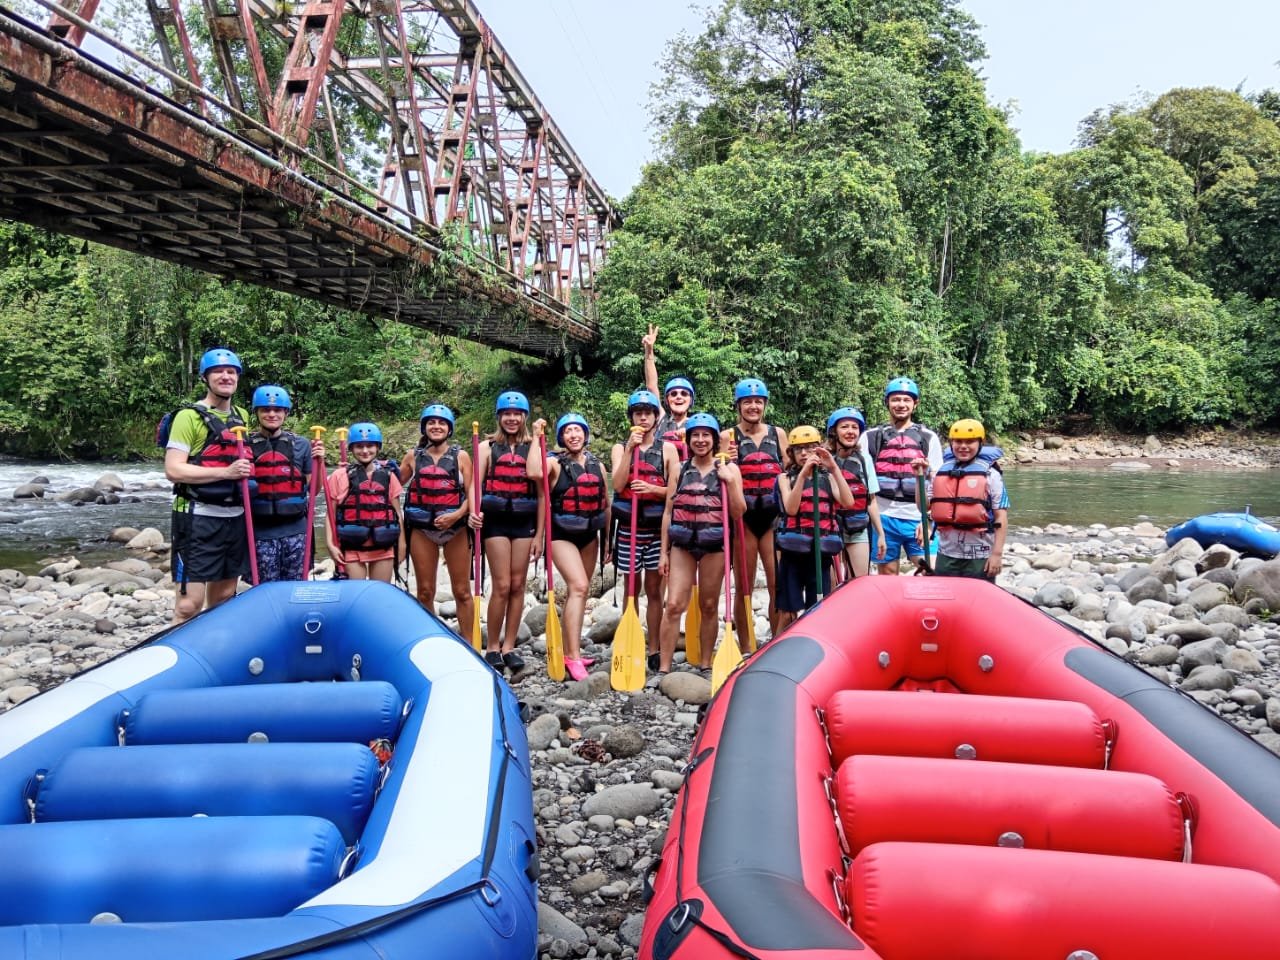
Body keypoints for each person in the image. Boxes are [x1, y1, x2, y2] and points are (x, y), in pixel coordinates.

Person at [164, 347, 253, 624]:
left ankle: (214, 653)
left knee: (225, 598)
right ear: (206, 377)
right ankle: (178, 654)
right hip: (196, 518)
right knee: (189, 604)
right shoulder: (188, 417)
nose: (225, 376)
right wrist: (226, 473)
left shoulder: (242, 416)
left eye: (231, 372)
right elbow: (173, 469)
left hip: (234, 518)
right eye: (218, 372)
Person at [658, 413, 744, 674]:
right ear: (688, 439)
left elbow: (739, 511)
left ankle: (705, 665)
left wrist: (729, 481)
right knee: (673, 605)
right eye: (696, 435)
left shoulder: (729, 469)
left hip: (714, 545)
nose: (701, 439)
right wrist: (664, 552)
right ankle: (663, 668)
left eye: (706, 435)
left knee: (708, 605)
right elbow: (668, 512)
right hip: (682, 544)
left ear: (715, 440)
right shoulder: (679, 469)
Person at [528, 413, 610, 681]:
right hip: (561, 534)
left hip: (590, 535)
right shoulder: (553, 462)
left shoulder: (598, 465)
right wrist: (536, 437)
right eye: (567, 431)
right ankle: (572, 657)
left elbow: (605, 504)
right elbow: (533, 472)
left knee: (582, 593)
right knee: (579, 587)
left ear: (585, 435)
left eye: (578, 430)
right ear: (561, 437)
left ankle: (570, 648)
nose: (573, 435)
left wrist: (608, 540)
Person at [471, 391, 543, 675]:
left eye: (517, 414)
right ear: (499, 417)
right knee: (501, 585)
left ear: (524, 417)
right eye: (507, 414)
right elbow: (475, 487)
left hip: (524, 522)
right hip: (496, 522)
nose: (512, 419)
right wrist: (472, 513)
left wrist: (539, 535)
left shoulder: (533, 447)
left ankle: (509, 646)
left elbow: (541, 495)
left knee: (518, 585)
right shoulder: (487, 448)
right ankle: (492, 648)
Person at [611, 388, 680, 672]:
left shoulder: (668, 449)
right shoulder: (620, 448)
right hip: (628, 529)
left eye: (648, 413)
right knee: (631, 588)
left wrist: (652, 489)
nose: (643, 417)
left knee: (654, 590)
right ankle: (632, 641)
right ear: (632, 417)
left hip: (654, 531)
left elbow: (675, 493)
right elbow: (617, 485)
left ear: (655, 417)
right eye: (638, 413)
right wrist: (629, 449)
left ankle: (654, 648)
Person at [722, 377, 788, 644]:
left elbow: (789, 470)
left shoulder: (778, 434)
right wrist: (729, 460)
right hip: (743, 519)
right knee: (745, 586)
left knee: (777, 584)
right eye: (747, 402)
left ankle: (776, 640)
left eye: (757, 402)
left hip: (773, 517)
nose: (753, 406)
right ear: (738, 405)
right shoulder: (728, 436)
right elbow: (718, 471)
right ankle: (747, 645)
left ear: (764, 405)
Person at [400, 403, 474, 634]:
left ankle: (470, 644)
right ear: (424, 428)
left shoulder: (461, 456)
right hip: (422, 530)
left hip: (457, 529)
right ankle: (431, 638)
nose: (436, 426)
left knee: (462, 591)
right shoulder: (413, 456)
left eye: (441, 423)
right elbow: (390, 485)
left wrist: (457, 515)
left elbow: (473, 496)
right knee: (424, 591)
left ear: (449, 429)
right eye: (431, 422)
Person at [773, 425, 856, 632]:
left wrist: (834, 468)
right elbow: (791, 509)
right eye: (799, 449)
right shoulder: (785, 479)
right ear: (791, 453)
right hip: (792, 554)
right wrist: (802, 475)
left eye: (809, 448)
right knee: (787, 612)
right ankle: (777, 651)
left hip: (820, 555)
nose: (804, 453)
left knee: (817, 610)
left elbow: (848, 502)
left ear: (818, 449)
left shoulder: (827, 477)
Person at [863, 376, 943, 575]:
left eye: (906, 400)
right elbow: (861, 479)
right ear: (887, 403)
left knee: (930, 570)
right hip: (883, 517)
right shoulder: (870, 437)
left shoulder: (929, 437)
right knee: (888, 573)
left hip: (917, 516)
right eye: (895, 399)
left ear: (915, 404)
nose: (901, 404)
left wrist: (928, 519)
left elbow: (938, 483)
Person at [246, 385, 323, 582]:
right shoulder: (244, 445)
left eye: (277, 410)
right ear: (257, 412)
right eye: (265, 410)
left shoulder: (302, 444)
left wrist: (320, 463)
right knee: (266, 590)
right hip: (260, 532)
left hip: (296, 531)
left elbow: (313, 490)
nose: (272, 414)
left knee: (295, 588)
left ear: (285, 413)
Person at [926, 418, 1009, 580]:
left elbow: (1001, 517)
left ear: (980, 443)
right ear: (951, 443)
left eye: (970, 442)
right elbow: (924, 507)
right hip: (946, 553)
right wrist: (918, 478)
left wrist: (997, 554)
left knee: (979, 601)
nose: (963, 446)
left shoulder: (991, 475)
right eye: (958, 441)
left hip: (980, 555)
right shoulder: (940, 472)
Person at [325, 422, 404, 583]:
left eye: (370, 446)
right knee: (355, 595)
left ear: (377, 448)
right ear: (352, 449)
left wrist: (402, 545)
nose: (365, 451)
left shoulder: (389, 476)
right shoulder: (340, 475)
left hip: (383, 547)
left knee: (379, 595)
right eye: (359, 446)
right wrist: (330, 545)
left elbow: (397, 513)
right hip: (352, 548)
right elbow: (330, 515)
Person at [825, 407, 886, 578]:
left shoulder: (863, 459)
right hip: (828, 529)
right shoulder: (824, 459)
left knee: (858, 583)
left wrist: (880, 534)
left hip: (857, 528)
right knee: (830, 588)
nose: (850, 431)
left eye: (855, 427)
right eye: (845, 427)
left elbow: (871, 501)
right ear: (834, 432)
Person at [641, 323, 695, 457]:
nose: (679, 397)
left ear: (691, 400)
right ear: (667, 400)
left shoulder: (697, 425)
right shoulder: (661, 419)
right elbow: (652, 385)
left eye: (684, 393)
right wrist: (649, 351)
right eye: (674, 394)